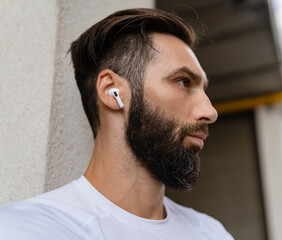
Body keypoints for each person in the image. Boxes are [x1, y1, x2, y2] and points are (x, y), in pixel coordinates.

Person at [0, 8, 234, 239]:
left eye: (203, 89)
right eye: (183, 81)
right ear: (112, 91)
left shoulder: (212, 233)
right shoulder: (26, 229)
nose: (210, 112)